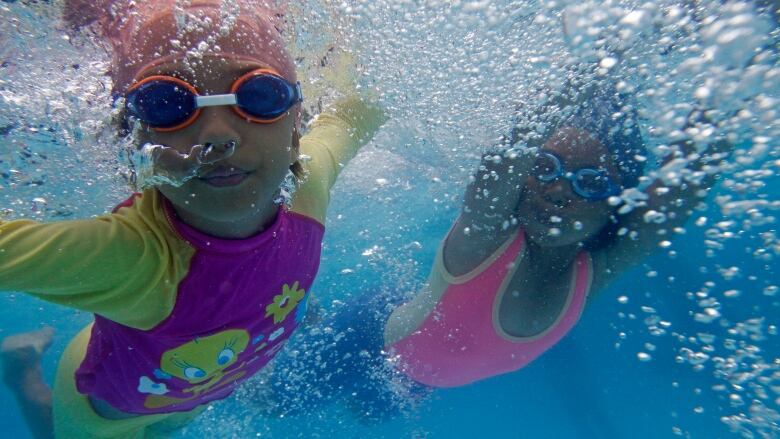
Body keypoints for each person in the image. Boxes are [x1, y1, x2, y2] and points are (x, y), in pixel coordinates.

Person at [0, 1, 384, 438]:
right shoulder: (132, 258)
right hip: (107, 417)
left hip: (197, 388)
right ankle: (22, 370)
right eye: (165, 104)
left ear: (296, 128)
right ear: (131, 145)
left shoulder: (309, 184)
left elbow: (360, 107)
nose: (217, 135)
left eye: (259, 96)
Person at [262, 79, 729, 420]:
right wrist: (603, 66)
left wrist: (727, 76)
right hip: (368, 336)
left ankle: (311, 317)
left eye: (588, 183)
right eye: (544, 167)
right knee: (273, 402)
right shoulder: (484, 240)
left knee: (369, 415)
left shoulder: (593, 273)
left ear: (615, 205)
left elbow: (678, 194)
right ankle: (311, 320)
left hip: (416, 376)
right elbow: (499, 164)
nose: (557, 191)